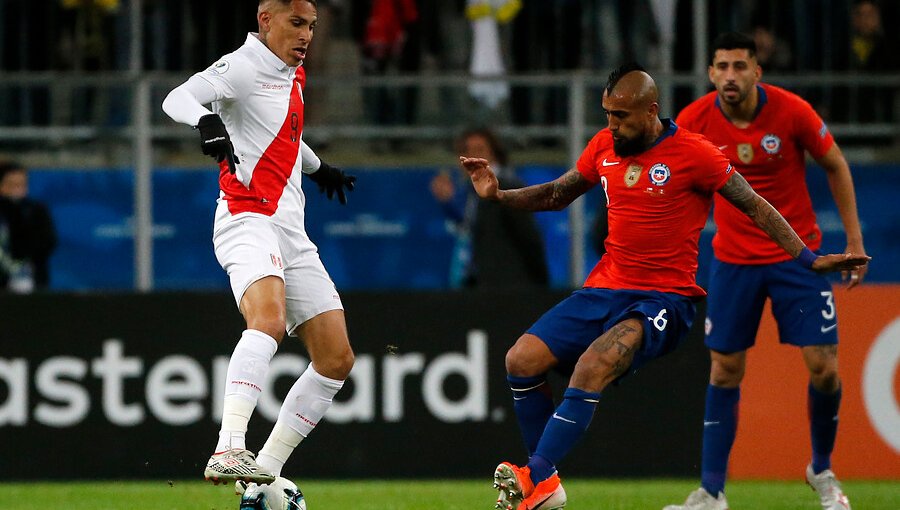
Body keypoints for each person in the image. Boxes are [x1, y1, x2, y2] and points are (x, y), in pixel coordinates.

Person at [459, 63, 869, 510]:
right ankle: (547, 483)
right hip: (605, 288)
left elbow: (756, 207)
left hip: (664, 299)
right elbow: (557, 194)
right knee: (520, 359)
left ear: (651, 111)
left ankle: (534, 477)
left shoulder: (695, 153)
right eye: (607, 114)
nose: (611, 125)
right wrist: (500, 196)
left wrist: (808, 258)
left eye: (621, 116)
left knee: (593, 365)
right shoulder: (603, 147)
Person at [665, 32, 869, 510]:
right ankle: (711, 492)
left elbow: (835, 164)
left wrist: (854, 241)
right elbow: (673, 180)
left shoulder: (792, 111)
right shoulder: (694, 120)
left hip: (796, 257)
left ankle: (821, 468)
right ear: (711, 73)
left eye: (740, 66)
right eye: (722, 67)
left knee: (823, 369)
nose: (730, 76)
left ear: (758, 71)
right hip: (735, 260)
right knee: (725, 368)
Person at [161, 0, 356, 489]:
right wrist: (205, 122)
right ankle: (230, 444)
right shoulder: (242, 67)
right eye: (296, 24)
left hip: (291, 229)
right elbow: (178, 98)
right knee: (266, 320)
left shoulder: (291, 73)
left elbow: (279, 134)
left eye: (311, 26)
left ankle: (265, 471)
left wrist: (318, 168)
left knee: (336, 358)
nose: (307, 35)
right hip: (246, 217)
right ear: (265, 20)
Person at [430, 128, 549, 289]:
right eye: (467, 151)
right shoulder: (470, 193)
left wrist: (541, 286)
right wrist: (448, 203)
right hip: (479, 286)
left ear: (494, 154)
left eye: (479, 150)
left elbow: (529, 238)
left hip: (508, 289)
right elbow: (470, 230)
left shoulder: (508, 188)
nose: (472, 157)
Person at [0, 161, 57, 293]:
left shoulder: (36, 210)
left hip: (31, 280)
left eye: (21, 185)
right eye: (11, 185)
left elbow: (48, 242)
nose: (17, 189)